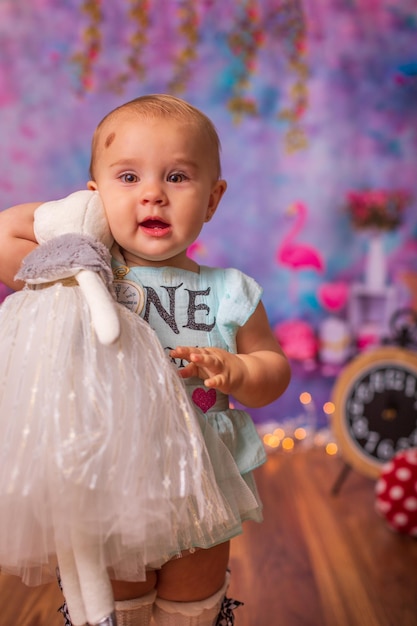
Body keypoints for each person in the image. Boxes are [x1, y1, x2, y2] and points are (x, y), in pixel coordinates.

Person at [0, 94, 291, 626]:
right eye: (128, 178)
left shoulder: (230, 291)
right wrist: (78, 222)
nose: (153, 194)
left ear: (212, 198)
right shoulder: (84, 276)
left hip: (202, 484)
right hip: (113, 484)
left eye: (177, 177)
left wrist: (242, 370)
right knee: (118, 605)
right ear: (96, 196)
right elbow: (3, 234)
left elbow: (272, 367)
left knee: (192, 603)